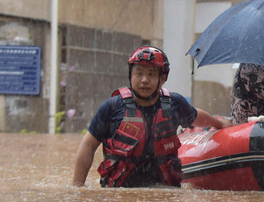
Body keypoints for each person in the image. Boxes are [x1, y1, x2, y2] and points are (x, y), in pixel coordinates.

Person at [71, 46, 228, 188]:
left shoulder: (175, 104)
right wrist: (77, 186)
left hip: (164, 192)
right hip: (119, 197)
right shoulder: (112, 107)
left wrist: (219, 124)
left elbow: (196, 116)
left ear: (163, 78)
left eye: (151, 74)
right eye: (139, 73)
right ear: (130, 75)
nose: (144, 80)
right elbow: (89, 145)